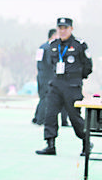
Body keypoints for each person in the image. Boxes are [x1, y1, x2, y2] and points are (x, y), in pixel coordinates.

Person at [35, 17, 92, 156]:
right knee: (50, 114)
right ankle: (50, 144)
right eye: (60, 28)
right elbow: (50, 63)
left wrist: (77, 78)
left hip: (72, 85)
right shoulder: (53, 45)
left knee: (74, 117)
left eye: (65, 28)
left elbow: (88, 66)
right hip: (56, 84)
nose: (62, 31)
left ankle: (86, 143)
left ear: (71, 29)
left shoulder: (80, 45)